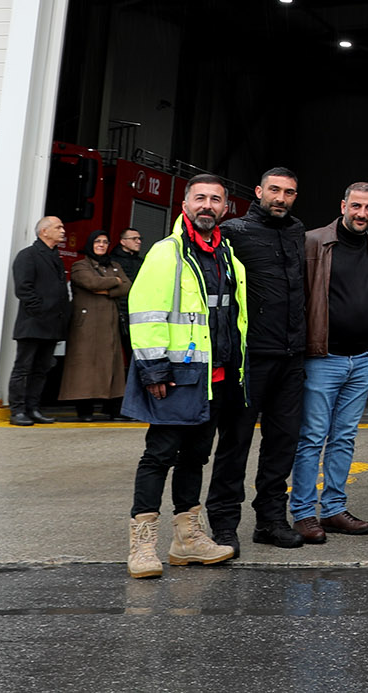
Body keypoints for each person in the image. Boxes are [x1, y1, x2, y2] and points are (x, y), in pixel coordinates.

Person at [122, 174, 247, 579]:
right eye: (200, 198)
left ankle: (187, 540)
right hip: (176, 375)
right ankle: (142, 544)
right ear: (185, 204)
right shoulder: (167, 252)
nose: (207, 205)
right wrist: (154, 368)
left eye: (215, 199)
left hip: (216, 376)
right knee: (159, 455)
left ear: (225, 208)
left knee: (197, 455)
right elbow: (145, 313)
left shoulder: (226, 254)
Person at [217, 166, 309, 551]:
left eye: (288, 192)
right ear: (258, 191)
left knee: (282, 443)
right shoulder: (234, 233)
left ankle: (271, 521)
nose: (280, 198)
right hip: (250, 358)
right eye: (274, 190)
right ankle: (223, 525)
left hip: (291, 357)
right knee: (235, 442)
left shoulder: (296, 231)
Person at [293, 181, 368, 543]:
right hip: (323, 358)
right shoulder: (314, 242)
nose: (361, 213)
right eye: (356, 206)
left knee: (344, 438)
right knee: (313, 437)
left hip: (361, 360)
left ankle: (332, 509)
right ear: (343, 204)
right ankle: (302, 513)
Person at [7, 215, 72, 427]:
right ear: (44, 231)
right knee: (23, 368)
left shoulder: (55, 256)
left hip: (52, 324)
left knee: (42, 369)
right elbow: (23, 289)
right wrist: (40, 311)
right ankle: (17, 410)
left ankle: (33, 408)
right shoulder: (29, 255)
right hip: (33, 323)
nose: (63, 231)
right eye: (58, 227)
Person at [63, 228, 131, 421]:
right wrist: (114, 282)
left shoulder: (114, 264)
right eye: (97, 242)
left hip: (110, 325)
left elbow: (127, 286)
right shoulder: (80, 265)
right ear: (90, 244)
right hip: (87, 327)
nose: (101, 245)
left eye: (105, 242)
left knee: (112, 366)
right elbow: (91, 283)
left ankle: (113, 408)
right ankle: (85, 410)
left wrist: (108, 289)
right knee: (85, 367)